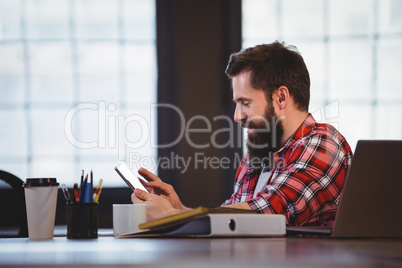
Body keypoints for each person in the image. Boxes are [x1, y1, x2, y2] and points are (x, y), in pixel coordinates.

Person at [132, 41, 353, 227]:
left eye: (245, 103)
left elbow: (267, 215)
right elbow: (232, 219)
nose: (237, 116)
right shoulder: (258, 154)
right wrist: (178, 209)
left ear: (281, 98)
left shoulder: (324, 143)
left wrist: (171, 216)